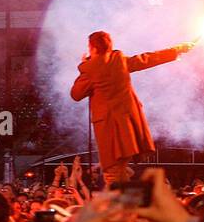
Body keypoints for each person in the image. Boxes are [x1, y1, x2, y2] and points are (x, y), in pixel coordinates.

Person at [69, 31, 195, 187]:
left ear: (92, 48)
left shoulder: (90, 68)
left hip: (108, 128)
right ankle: (127, 206)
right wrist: (177, 50)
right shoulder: (119, 60)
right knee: (120, 170)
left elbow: (76, 94)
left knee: (112, 173)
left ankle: (122, 208)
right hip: (128, 126)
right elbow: (147, 59)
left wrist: (86, 64)